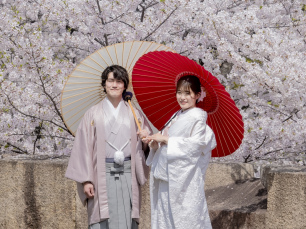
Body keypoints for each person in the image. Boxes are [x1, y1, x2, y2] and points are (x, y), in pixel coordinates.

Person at [66, 64, 151, 229]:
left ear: (125, 85)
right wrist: (86, 180)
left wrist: (146, 141)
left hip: (128, 172)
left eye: (119, 81)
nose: (114, 85)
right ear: (104, 84)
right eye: (111, 81)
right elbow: (83, 148)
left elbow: (147, 147)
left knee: (128, 215)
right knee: (101, 218)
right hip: (101, 174)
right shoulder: (92, 113)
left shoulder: (135, 114)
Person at [143, 74, 216, 229]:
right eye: (179, 92)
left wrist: (166, 140)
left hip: (182, 181)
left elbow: (195, 147)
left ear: (197, 95)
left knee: (185, 221)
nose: (182, 97)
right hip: (165, 176)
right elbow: (166, 141)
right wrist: (154, 142)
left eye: (188, 93)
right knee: (165, 220)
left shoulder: (197, 116)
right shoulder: (177, 114)